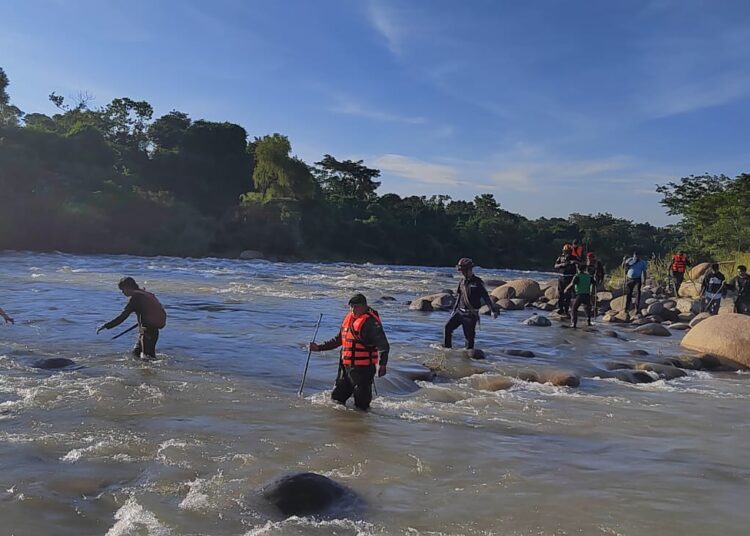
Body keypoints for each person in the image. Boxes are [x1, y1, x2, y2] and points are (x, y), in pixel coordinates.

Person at [309, 293, 389, 411]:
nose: (353, 310)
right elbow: (338, 340)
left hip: (363, 370)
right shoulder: (349, 319)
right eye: (351, 306)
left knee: (361, 406)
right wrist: (319, 347)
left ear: (364, 306)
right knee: (336, 399)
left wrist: (382, 365)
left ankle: (364, 422)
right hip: (346, 368)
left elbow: (383, 345)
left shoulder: (371, 324)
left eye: (356, 307)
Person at [96, 277, 167, 359]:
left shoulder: (135, 299)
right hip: (151, 331)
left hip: (147, 331)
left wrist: (106, 326)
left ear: (128, 287)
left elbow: (122, 317)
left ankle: (155, 367)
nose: (122, 292)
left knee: (147, 357)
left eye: (123, 290)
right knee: (136, 354)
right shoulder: (144, 293)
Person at [443, 257, 496, 349]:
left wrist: (492, 310)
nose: (462, 273)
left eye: (463, 271)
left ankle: (469, 355)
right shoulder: (461, 282)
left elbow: (486, 297)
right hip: (459, 312)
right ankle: (447, 349)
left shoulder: (478, 282)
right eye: (461, 271)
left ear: (469, 269)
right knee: (447, 328)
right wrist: (454, 310)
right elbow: (459, 296)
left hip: (470, 315)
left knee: (469, 339)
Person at [565, 263, 596, 328]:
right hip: (587, 295)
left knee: (574, 309)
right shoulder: (589, 276)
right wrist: (592, 291)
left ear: (578, 269)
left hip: (579, 295)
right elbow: (594, 283)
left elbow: (572, 283)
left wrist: (566, 289)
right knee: (587, 308)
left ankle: (574, 323)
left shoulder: (577, 276)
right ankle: (588, 321)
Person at [554, 245, 578, 315]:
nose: (567, 253)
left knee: (568, 294)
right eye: (566, 251)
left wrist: (574, 262)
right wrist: (562, 265)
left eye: (568, 251)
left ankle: (566, 309)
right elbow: (555, 265)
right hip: (561, 277)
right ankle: (560, 308)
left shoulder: (574, 258)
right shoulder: (560, 257)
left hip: (570, 277)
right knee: (560, 293)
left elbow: (581, 263)